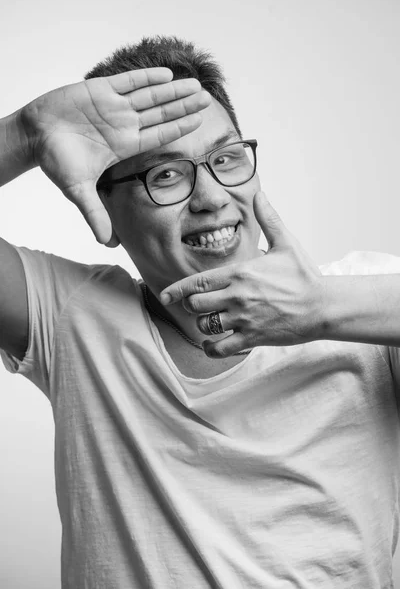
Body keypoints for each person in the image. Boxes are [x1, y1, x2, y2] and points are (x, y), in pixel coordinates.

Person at [1, 35, 400, 589]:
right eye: (165, 175)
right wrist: (22, 134)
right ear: (102, 207)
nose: (212, 197)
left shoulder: (365, 308)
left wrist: (322, 308)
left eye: (226, 158)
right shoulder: (68, 315)